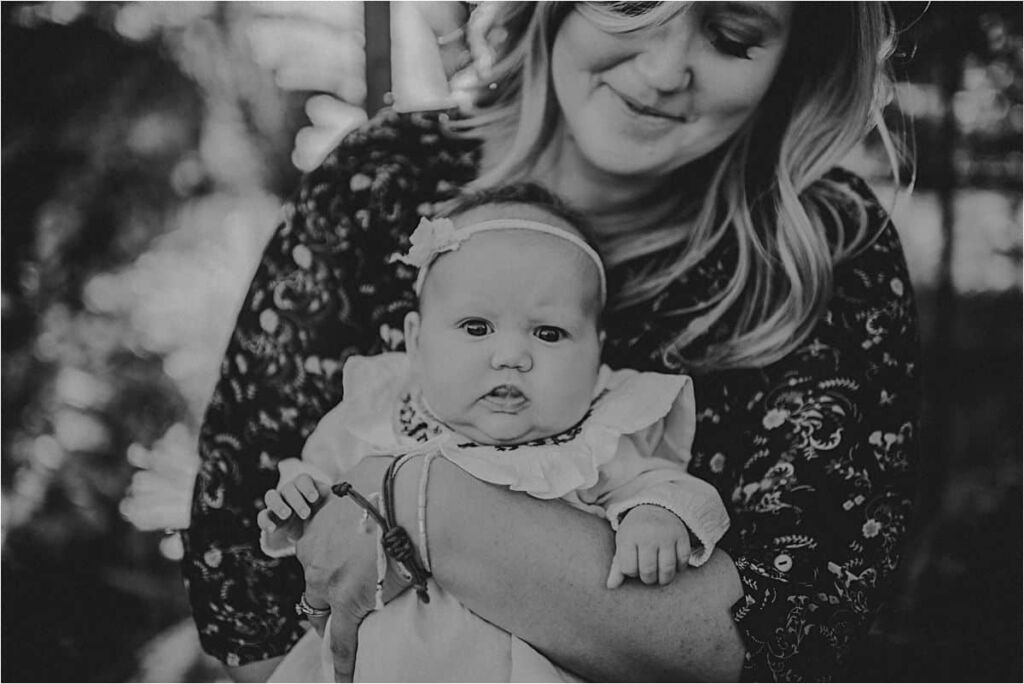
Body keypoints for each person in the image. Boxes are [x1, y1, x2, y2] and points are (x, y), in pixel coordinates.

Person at [183, 2, 921, 681]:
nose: (665, 72)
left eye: (731, 37)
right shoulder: (383, 179)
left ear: (799, 53)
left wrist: (417, 500)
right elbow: (244, 588)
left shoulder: (822, 248)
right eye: (633, 2)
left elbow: (790, 631)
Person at [255, 185, 730, 681]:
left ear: (596, 352)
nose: (510, 356)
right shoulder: (377, 416)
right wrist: (298, 495)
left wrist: (655, 517)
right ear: (416, 341)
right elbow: (320, 489)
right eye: (476, 327)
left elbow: (668, 484)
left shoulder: (595, 442)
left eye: (548, 333)